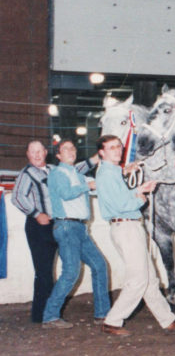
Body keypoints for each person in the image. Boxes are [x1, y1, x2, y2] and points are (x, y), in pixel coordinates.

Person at [95, 135, 175, 336]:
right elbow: (121, 206)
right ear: (102, 152)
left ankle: (168, 319)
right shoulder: (107, 174)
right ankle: (113, 321)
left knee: (149, 278)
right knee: (139, 279)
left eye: (118, 147)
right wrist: (140, 198)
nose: (117, 150)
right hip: (126, 227)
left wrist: (140, 189)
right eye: (111, 148)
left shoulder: (112, 173)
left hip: (128, 227)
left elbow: (122, 199)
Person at [41, 140, 109, 328]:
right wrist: (88, 186)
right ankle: (50, 316)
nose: (71, 151)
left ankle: (102, 313)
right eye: (66, 149)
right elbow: (65, 193)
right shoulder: (57, 173)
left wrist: (124, 172)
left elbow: (98, 184)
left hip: (77, 228)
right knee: (71, 271)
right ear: (58, 156)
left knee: (99, 266)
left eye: (73, 148)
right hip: (67, 227)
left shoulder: (77, 174)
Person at [12, 140, 59, 323]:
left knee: (63, 269)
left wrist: (95, 161)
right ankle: (40, 315)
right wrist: (37, 214)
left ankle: (51, 310)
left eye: (40, 151)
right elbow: (16, 197)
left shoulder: (55, 170)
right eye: (33, 152)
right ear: (27, 154)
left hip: (56, 225)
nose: (37, 155)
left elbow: (75, 171)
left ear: (46, 152)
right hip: (38, 227)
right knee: (44, 271)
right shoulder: (27, 173)